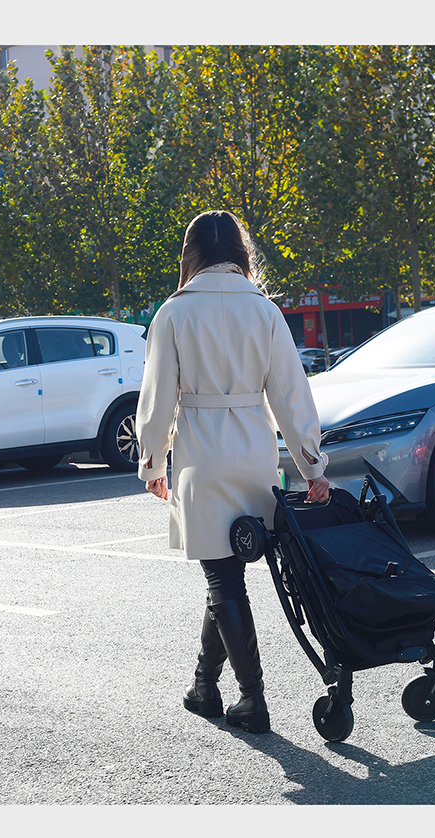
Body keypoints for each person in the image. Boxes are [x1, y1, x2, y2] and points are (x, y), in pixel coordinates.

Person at [136, 210, 330, 734]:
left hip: (201, 454)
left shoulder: (173, 314)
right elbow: (292, 396)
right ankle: (205, 686)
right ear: (241, 252)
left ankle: (253, 699)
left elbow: (155, 401)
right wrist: (312, 464)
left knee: (223, 577)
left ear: (190, 253)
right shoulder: (265, 312)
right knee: (228, 576)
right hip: (254, 452)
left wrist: (152, 461)